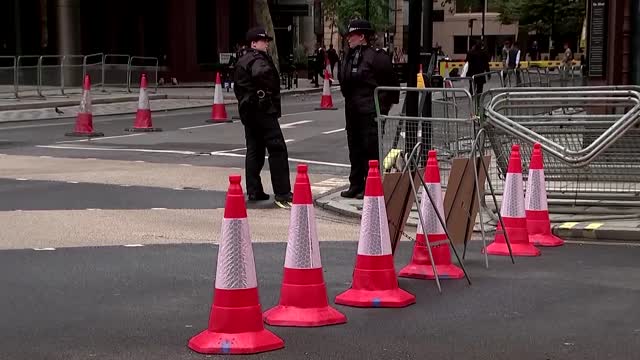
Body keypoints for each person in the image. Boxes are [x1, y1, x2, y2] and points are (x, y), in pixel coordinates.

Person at [339, 19, 400, 199]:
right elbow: (344, 81)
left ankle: (370, 184)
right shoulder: (348, 55)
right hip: (352, 110)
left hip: (370, 111)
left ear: (362, 36)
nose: (348, 39)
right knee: (355, 148)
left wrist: (381, 108)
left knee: (370, 149)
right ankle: (356, 184)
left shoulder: (377, 57)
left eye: (352, 35)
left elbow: (391, 86)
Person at [234, 27, 293, 208]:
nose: (266, 43)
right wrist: (267, 98)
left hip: (248, 111)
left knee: (255, 150)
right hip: (262, 110)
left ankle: (254, 190)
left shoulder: (242, 60)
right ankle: (283, 193)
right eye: (263, 40)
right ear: (254, 43)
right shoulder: (257, 59)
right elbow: (262, 76)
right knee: (277, 149)